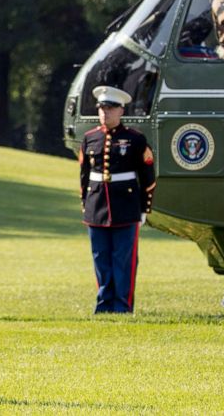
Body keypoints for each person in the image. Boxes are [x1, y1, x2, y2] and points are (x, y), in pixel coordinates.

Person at [78, 85, 156, 314]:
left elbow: (148, 176)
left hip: (126, 207)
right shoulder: (90, 138)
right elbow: (84, 175)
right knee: (101, 259)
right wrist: (85, 204)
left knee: (124, 261)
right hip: (96, 206)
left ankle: (122, 306)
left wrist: (144, 208)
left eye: (111, 108)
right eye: (102, 108)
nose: (105, 113)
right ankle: (104, 304)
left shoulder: (135, 139)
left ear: (122, 110)